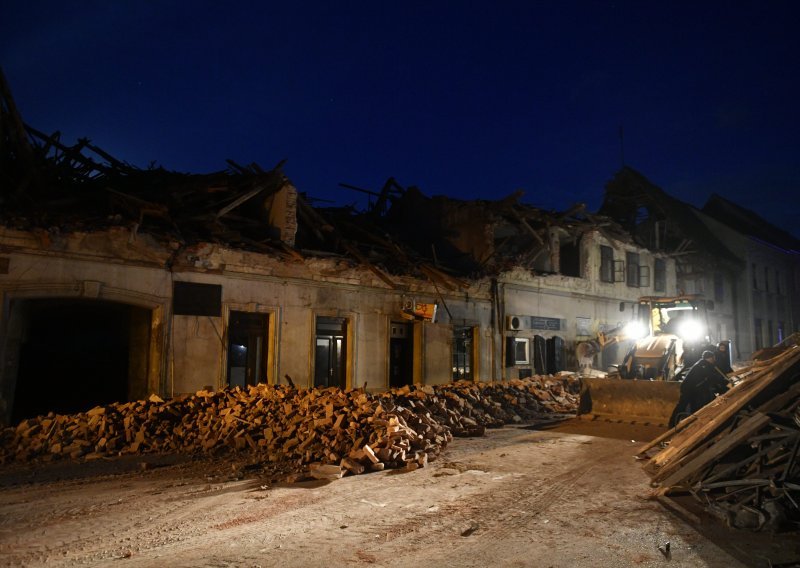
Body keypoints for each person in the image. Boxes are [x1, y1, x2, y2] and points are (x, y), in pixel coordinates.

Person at [668, 350, 729, 428]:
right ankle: (672, 424)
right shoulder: (704, 366)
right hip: (689, 389)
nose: (715, 360)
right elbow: (712, 377)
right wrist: (724, 384)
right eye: (714, 358)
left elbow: (711, 377)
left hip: (694, 389)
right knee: (682, 406)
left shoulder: (703, 364)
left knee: (695, 406)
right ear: (710, 358)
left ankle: (692, 424)